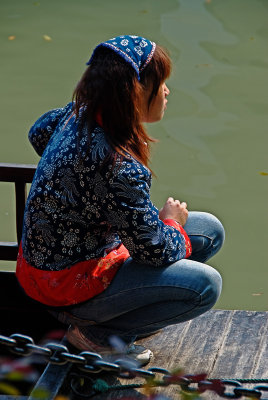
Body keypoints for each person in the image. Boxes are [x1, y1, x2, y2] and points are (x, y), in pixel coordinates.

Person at [16, 35, 224, 366]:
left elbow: (38, 132)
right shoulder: (117, 166)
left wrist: (77, 185)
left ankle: (114, 320)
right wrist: (172, 221)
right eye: (161, 84)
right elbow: (152, 250)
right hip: (68, 286)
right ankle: (96, 337)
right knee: (206, 285)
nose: (167, 92)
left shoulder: (79, 112)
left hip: (44, 266)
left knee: (210, 230)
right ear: (136, 91)